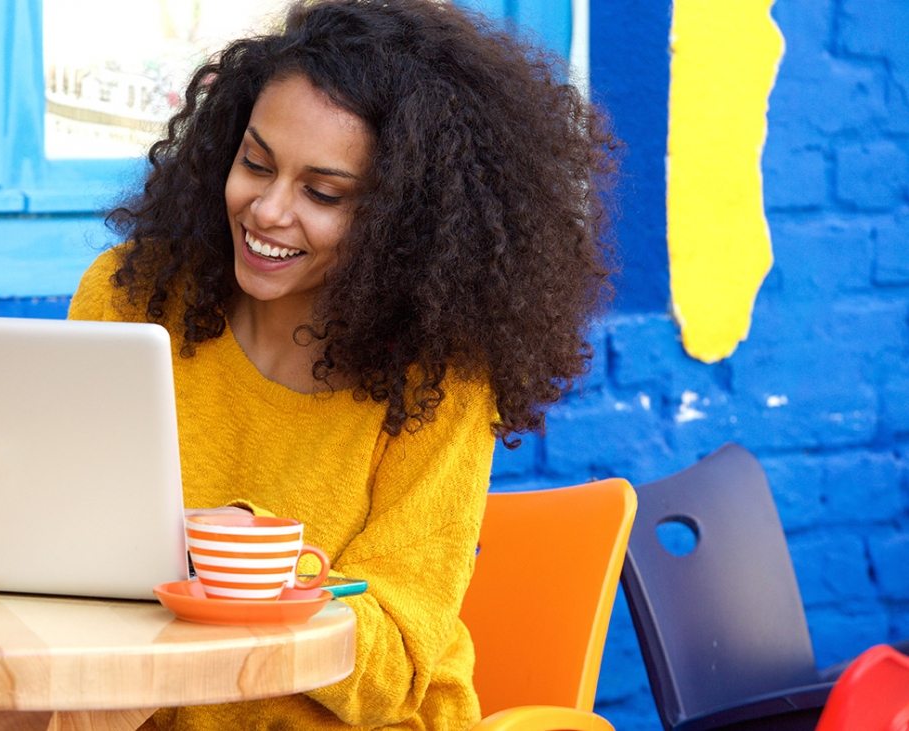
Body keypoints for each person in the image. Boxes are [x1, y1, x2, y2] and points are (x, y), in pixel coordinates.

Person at [68, 0, 616, 727]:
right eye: (254, 163)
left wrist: (248, 557)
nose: (266, 210)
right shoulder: (131, 296)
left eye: (323, 193)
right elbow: (68, 553)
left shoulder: (439, 375)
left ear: (404, 221)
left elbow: (392, 669)